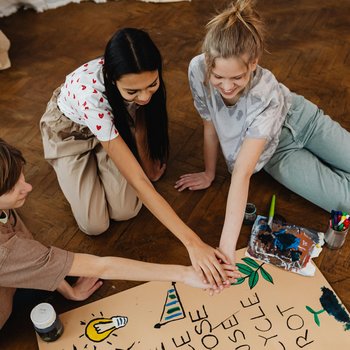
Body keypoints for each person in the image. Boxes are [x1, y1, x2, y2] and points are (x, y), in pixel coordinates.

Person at [39, 28, 233, 289]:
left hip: (110, 132)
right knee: (94, 224)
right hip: (69, 135)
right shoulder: (91, 95)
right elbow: (138, 181)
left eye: (152, 85)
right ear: (112, 79)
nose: (145, 96)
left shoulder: (139, 86)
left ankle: (101, 161)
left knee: (127, 209)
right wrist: (193, 243)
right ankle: (72, 168)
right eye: (133, 91)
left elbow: (139, 114)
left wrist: (147, 161)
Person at [175, 0, 350, 265]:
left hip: (304, 119)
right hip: (279, 152)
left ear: (253, 63)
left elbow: (241, 174)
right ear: (208, 61)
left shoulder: (264, 92)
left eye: (237, 78)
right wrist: (209, 173)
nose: (226, 86)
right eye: (218, 76)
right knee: (346, 204)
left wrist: (224, 250)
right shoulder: (197, 69)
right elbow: (209, 122)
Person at [0, 138, 240, 329]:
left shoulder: (7, 212)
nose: (28, 187)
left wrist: (68, 289)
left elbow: (37, 258)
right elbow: (101, 267)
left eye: (21, 176)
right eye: (12, 188)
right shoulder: (7, 251)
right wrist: (186, 274)